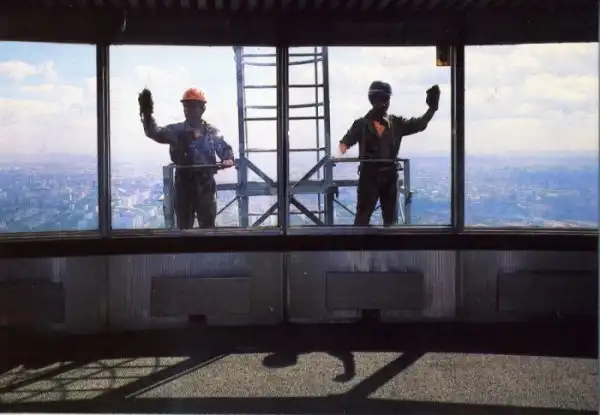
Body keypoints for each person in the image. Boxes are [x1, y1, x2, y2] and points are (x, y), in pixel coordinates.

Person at [338, 81, 440, 226]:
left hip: (387, 178)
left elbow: (419, 124)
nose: (384, 103)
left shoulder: (394, 123)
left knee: (389, 222)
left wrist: (432, 109)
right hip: (369, 178)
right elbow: (344, 143)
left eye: (385, 99)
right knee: (363, 220)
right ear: (373, 100)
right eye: (381, 99)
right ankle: (363, 241)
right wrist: (342, 150)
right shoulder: (362, 125)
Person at [138, 87, 235, 229]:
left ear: (202, 109)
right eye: (186, 106)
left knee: (207, 228)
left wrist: (228, 158)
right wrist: (147, 115)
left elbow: (224, 148)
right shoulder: (177, 131)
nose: (187, 109)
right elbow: (155, 132)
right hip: (184, 186)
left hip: (205, 187)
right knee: (184, 229)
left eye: (192, 106)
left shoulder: (211, 132)